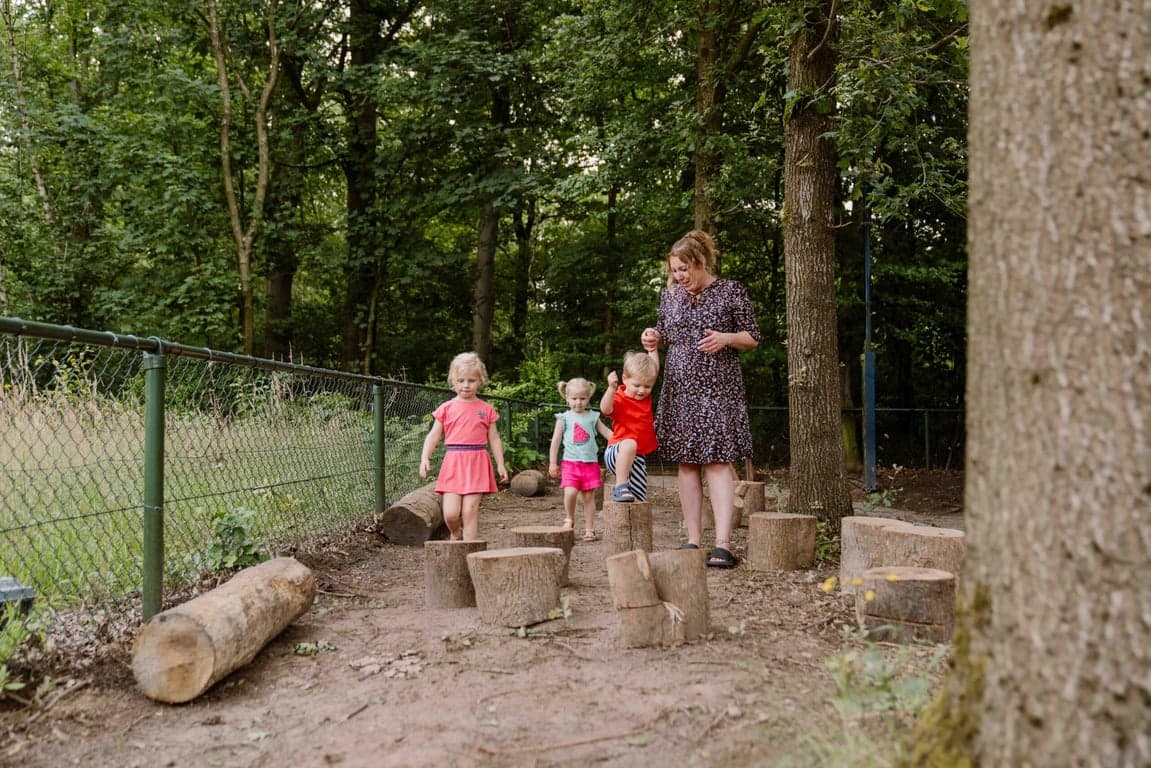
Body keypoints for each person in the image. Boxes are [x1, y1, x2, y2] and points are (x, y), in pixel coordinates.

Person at [641, 230, 760, 568]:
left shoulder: (730, 291)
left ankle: (722, 545)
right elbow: (665, 334)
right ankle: (694, 540)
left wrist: (726, 338)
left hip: (717, 386)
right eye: (675, 271)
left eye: (684, 269)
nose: (680, 277)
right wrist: (653, 337)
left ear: (701, 262)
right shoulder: (671, 296)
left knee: (717, 461)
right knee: (686, 462)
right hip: (679, 386)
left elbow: (752, 337)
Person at [419, 352, 509, 541]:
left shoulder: (486, 409)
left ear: (480, 380)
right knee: (451, 515)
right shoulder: (446, 408)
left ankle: (469, 554)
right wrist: (425, 457)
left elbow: (494, 439)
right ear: (453, 380)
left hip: (477, 461)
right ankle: (455, 533)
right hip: (453, 462)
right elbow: (434, 435)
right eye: (461, 380)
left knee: (470, 511)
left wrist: (500, 464)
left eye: (471, 380)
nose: (466, 385)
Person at [548, 378, 613, 541]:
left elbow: (606, 432)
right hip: (570, 463)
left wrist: (621, 439)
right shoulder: (563, 418)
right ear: (567, 398)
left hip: (590, 464)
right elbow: (555, 441)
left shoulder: (593, 416)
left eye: (582, 398)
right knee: (570, 492)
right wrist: (552, 463)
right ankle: (569, 518)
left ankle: (590, 529)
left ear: (588, 398)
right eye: (574, 398)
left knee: (589, 498)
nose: (578, 402)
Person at [599, 350, 660, 504]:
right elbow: (605, 409)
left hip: (638, 459)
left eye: (647, 386)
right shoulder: (619, 397)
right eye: (637, 385)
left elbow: (654, 369)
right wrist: (611, 389)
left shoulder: (645, 398)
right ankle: (620, 485)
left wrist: (652, 349)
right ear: (624, 379)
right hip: (616, 452)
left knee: (639, 499)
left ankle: (632, 519)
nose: (641, 390)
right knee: (630, 443)